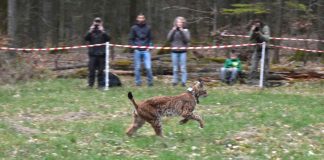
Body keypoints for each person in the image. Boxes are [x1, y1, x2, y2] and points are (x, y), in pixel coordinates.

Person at [84, 17, 111, 88]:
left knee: (100, 71)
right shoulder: (91, 31)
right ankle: (90, 85)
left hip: (102, 54)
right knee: (91, 70)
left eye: (99, 22)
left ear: (101, 23)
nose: (97, 23)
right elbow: (86, 38)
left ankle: (100, 85)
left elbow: (108, 38)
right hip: (92, 54)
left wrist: (103, 31)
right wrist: (90, 30)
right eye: (96, 21)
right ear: (93, 22)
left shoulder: (104, 30)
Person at [129, 14, 153, 87]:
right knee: (137, 68)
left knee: (148, 67)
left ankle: (150, 83)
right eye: (139, 18)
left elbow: (151, 39)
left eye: (142, 18)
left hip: (146, 50)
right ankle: (138, 83)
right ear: (137, 19)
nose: (141, 19)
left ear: (144, 19)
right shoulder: (134, 28)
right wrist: (134, 46)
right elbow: (131, 39)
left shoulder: (148, 28)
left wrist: (150, 46)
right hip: (137, 50)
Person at [167, 17, 190, 87]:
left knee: (183, 68)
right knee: (175, 68)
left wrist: (182, 31)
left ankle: (183, 82)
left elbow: (187, 40)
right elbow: (169, 39)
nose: (179, 23)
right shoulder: (173, 30)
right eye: (178, 22)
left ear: (183, 23)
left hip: (183, 51)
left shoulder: (186, 30)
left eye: (180, 22)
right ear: (176, 23)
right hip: (174, 51)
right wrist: (173, 31)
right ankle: (175, 81)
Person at [248, 19, 270, 85]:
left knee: (264, 66)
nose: (256, 24)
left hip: (265, 49)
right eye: (255, 23)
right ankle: (251, 80)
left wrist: (259, 33)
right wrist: (252, 31)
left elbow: (266, 39)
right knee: (253, 65)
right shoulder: (254, 28)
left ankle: (264, 81)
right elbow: (250, 38)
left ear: (260, 23)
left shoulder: (265, 27)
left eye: (257, 23)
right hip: (257, 49)